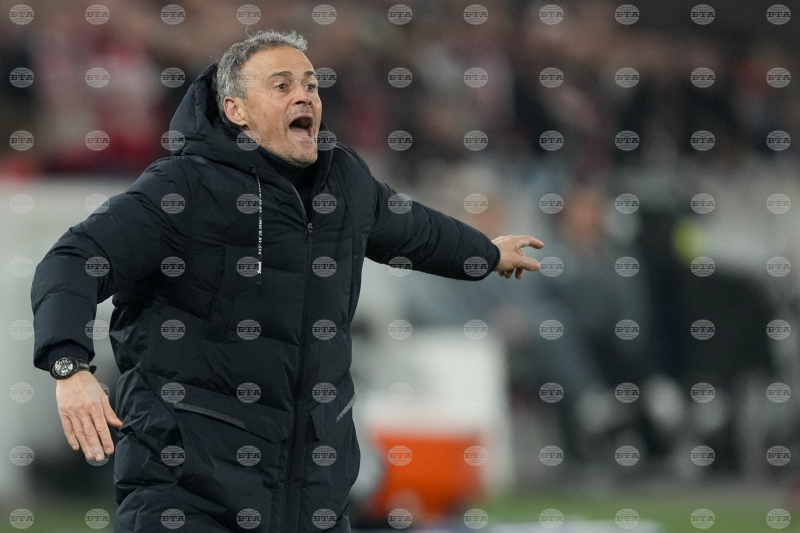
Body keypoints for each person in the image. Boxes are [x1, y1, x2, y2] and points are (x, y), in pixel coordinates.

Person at [30, 29, 543, 533]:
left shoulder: (344, 182)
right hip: (187, 495)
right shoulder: (181, 188)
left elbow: (416, 230)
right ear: (236, 110)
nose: (304, 96)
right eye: (282, 85)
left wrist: (486, 253)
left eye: (311, 85)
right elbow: (74, 259)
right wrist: (69, 365)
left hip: (311, 498)